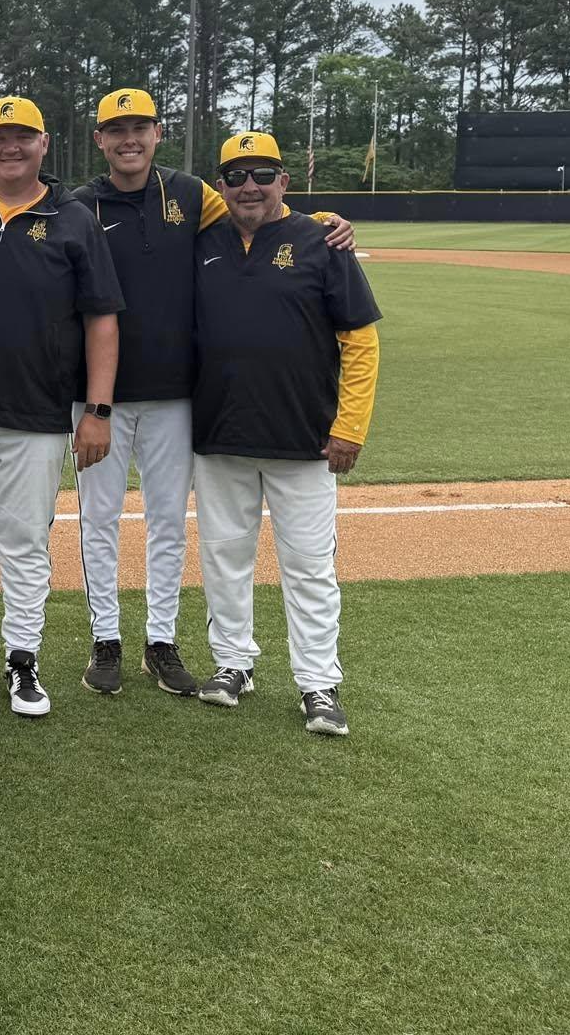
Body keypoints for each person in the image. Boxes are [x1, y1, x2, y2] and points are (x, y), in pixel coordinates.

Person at [69, 88, 355, 700]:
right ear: (99, 138)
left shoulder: (195, 195)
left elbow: (265, 214)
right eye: (116, 129)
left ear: (157, 132)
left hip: (177, 395)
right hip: (99, 396)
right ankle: (106, 642)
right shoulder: (79, 204)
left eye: (140, 126)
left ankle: (161, 643)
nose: (129, 138)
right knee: (99, 518)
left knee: (169, 522)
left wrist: (325, 221)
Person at [0, 97, 123, 717]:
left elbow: (102, 318)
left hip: (38, 408)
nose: (9, 148)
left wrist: (98, 409)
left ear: (44, 143)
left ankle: (23, 659)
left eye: (22, 137)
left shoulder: (73, 216)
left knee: (25, 538)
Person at [192, 132, 379, 738]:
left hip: (305, 438)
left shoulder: (321, 240)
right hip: (220, 431)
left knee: (308, 565)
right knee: (224, 555)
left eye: (263, 173)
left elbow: (360, 340)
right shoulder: (202, 240)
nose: (250, 185)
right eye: (237, 174)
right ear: (220, 185)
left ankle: (318, 683)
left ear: (285, 181)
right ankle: (232, 664)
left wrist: (349, 428)